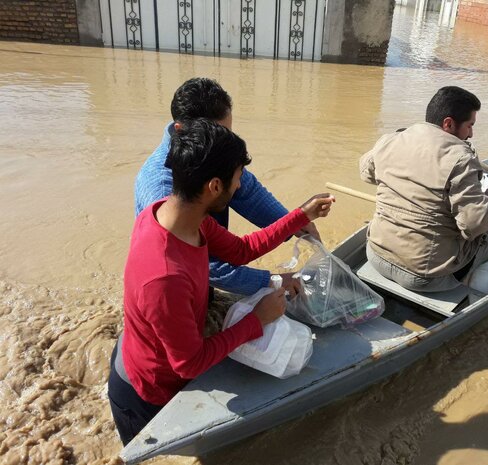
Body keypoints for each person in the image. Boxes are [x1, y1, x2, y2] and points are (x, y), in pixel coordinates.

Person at [109, 119, 334, 445]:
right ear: (214, 186)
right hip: (146, 391)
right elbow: (188, 364)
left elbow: (241, 250)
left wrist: (301, 216)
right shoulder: (166, 278)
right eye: (238, 178)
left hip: (152, 351)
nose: (240, 187)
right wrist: (258, 320)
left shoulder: (176, 215)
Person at [135, 77, 320, 296]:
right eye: (219, 134)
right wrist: (272, 283)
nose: (239, 183)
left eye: (228, 134)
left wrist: (296, 221)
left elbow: (242, 243)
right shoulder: (165, 192)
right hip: (179, 291)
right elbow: (206, 264)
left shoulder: (215, 156)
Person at [360, 86, 488, 293]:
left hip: (375, 254)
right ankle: (477, 295)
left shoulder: (391, 139)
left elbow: (366, 173)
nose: (471, 134)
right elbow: (473, 225)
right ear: (448, 123)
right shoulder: (462, 158)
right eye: (469, 126)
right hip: (422, 277)